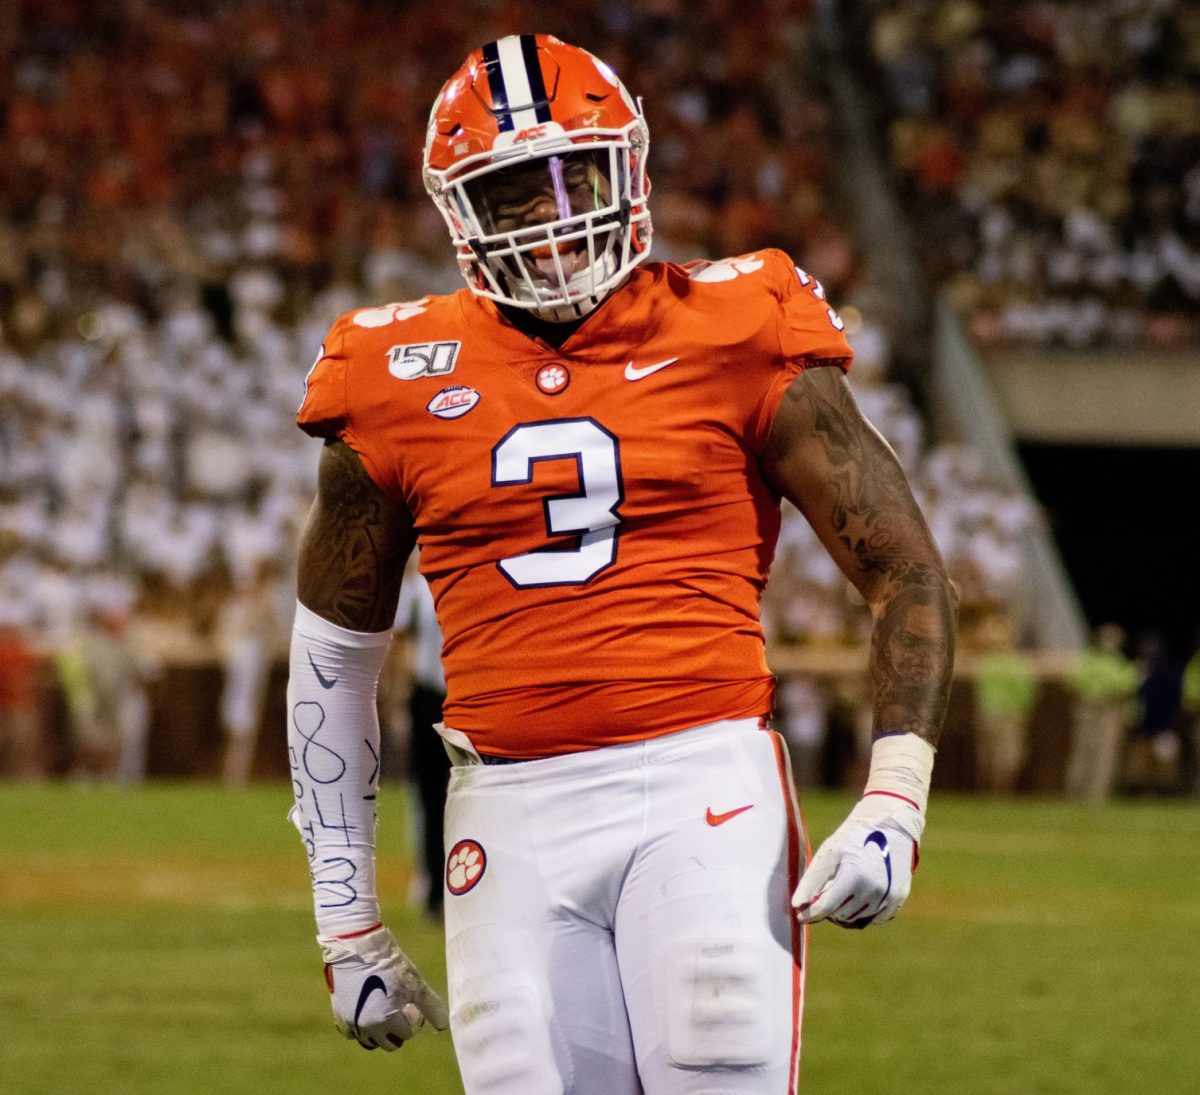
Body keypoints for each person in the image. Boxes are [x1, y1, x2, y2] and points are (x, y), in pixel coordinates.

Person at [286, 35, 957, 1093]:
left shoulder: (740, 322)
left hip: (700, 782)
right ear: (460, 211)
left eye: (575, 178)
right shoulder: (389, 372)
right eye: (514, 193)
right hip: (504, 806)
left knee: (713, 1061)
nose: (554, 219)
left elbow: (904, 568)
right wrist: (346, 918)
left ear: (629, 167)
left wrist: (894, 800)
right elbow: (333, 658)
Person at [1064, 623, 1138, 803]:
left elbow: (1127, 690)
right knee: (1083, 752)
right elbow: (1072, 683)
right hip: (1088, 709)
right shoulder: (1090, 660)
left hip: (1110, 711)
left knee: (1105, 754)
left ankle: (1097, 797)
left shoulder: (1121, 665)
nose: (1109, 642)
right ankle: (1074, 795)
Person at [971, 610, 1037, 794]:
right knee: (1002, 755)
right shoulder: (1011, 663)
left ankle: (992, 792)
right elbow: (1026, 692)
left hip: (995, 713)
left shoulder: (988, 662)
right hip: (1005, 713)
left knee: (994, 754)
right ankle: (998, 793)